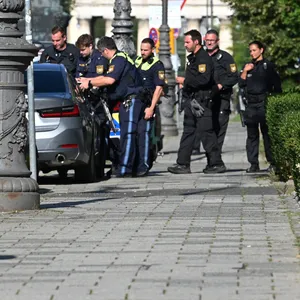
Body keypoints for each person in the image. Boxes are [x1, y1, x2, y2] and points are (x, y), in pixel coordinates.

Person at [77, 36, 147, 177]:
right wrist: (87, 80)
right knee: (132, 135)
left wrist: (89, 83)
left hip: (131, 100)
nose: (101, 56)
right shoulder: (119, 58)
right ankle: (135, 167)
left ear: (106, 50)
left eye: (102, 53)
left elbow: (109, 79)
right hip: (129, 100)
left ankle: (125, 169)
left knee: (128, 135)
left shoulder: (118, 59)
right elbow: (104, 78)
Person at [168, 29, 225, 175]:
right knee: (188, 131)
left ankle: (216, 163)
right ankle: (182, 164)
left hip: (203, 101)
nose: (185, 45)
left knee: (207, 133)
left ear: (196, 42)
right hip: (193, 100)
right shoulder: (193, 58)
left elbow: (204, 80)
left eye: (187, 42)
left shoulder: (203, 58)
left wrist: (185, 81)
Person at [238, 40, 282, 173]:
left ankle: (273, 162)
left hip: (264, 103)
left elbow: (277, 86)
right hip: (251, 105)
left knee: (267, 134)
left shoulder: (268, 66)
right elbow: (241, 83)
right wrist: (245, 71)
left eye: (254, 50)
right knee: (251, 135)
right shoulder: (248, 66)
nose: (252, 53)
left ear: (261, 50)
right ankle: (253, 164)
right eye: (250, 51)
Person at [205, 29, 238, 157]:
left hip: (221, 99)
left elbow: (234, 77)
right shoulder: (201, 57)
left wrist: (221, 85)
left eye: (211, 40)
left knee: (219, 129)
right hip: (205, 100)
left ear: (217, 41)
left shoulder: (225, 58)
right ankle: (211, 159)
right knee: (207, 130)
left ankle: (215, 160)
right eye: (207, 40)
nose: (209, 43)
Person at [134, 38, 165, 173]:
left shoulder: (157, 65)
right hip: (136, 104)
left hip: (148, 105)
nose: (143, 52)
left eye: (146, 50)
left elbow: (159, 89)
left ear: (152, 50)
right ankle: (134, 164)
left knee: (144, 135)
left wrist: (151, 108)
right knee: (133, 135)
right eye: (141, 49)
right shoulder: (137, 62)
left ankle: (144, 165)